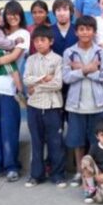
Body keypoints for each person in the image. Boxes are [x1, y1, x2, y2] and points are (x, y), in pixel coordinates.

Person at [0, 0, 30, 183]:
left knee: (9, 129)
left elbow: (13, 56)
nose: (12, 16)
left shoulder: (23, 34)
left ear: (21, 15)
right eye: (8, 13)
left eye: (16, 13)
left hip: (9, 90)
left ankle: (11, 166)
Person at [62, 15, 103, 187]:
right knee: (77, 141)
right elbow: (66, 77)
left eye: (88, 29)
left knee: (95, 141)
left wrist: (82, 69)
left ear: (94, 32)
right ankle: (79, 172)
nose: (85, 32)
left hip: (97, 105)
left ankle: (93, 171)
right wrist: (87, 69)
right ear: (76, 32)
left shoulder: (100, 52)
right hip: (76, 106)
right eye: (81, 29)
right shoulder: (69, 52)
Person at [22, 25, 66, 188]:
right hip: (34, 106)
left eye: (43, 40)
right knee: (36, 141)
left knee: (55, 142)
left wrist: (37, 85)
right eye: (36, 40)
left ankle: (58, 175)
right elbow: (26, 80)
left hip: (52, 107)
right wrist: (43, 78)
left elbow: (57, 84)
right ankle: (36, 175)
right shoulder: (31, 59)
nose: (39, 44)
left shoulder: (58, 60)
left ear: (51, 41)